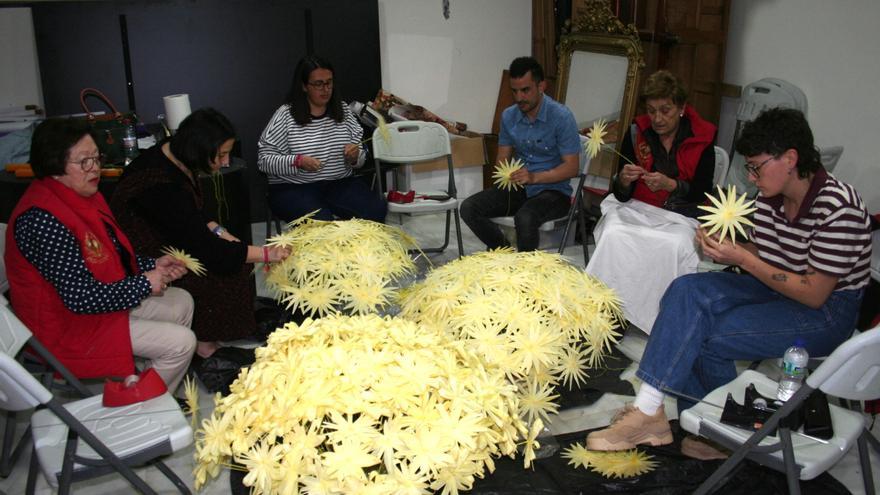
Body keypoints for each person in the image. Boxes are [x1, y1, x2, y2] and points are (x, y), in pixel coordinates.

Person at [586, 108, 872, 457]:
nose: (752, 178)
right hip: (776, 286)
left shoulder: (839, 207)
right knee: (685, 290)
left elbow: (813, 293)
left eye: (757, 167)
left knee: (705, 335)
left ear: (791, 158)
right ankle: (658, 414)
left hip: (826, 311)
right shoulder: (771, 195)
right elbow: (764, 250)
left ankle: (723, 429)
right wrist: (727, 247)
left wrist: (743, 258)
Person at [4, 119, 196, 392]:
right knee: (181, 343)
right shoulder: (42, 218)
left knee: (181, 302)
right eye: (84, 161)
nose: (95, 167)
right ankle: (140, 408)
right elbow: (79, 298)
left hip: (88, 307)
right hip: (65, 326)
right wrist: (143, 282)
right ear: (54, 167)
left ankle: (144, 384)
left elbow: (107, 256)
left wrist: (152, 264)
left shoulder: (80, 193)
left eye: (96, 158)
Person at [110, 108, 290, 359]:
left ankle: (226, 328)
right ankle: (204, 342)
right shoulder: (158, 183)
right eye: (222, 155)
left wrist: (219, 230)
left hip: (173, 235)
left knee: (236, 248)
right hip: (148, 254)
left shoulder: (175, 156)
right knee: (226, 265)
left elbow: (193, 214)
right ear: (199, 149)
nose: (226, 162)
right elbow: (205, 248)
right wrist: (268, 253)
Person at [585, 70, 716, 333]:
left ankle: (657, 316)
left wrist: (672, 185)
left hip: (679, 214)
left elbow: (702, 193)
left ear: (681, 108)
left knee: (674, 243)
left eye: (665, 110)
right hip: (637, 207)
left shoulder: (702, 139)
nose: (657, 118)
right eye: (652, 110)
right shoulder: (636, 133)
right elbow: (622, 195)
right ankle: (609, 312)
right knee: (614, 233)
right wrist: (623, 179)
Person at [459, 56, 580, 252]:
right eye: (514, 91)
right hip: (520, 187)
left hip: (554, 192)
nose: (519, 98)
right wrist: (505, 174)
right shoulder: (509, 115)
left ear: (541, 86)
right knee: (469, 208)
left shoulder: (561, 116)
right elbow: (502, 159)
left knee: (525, 217)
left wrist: (534, 177)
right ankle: (505, 252)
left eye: (525, 90)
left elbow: (572, 167)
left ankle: (524, 274)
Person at [257, 55, 387, 223]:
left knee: (376, 209)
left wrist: (355, 157)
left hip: (339, 183)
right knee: (320, 223)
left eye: (329, 82)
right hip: (293, 188)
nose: (325, 89)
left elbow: (360, 155)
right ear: (304, 86)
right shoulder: (286, 115)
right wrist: (298, 161)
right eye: (318, 84)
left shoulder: (342, 110)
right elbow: (264, 161)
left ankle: (357, 250)